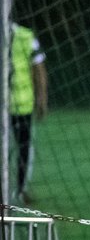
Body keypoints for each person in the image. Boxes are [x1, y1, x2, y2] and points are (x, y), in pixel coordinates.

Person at [8, 23, 48, 205]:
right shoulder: (25, 35)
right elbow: (39, 69)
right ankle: (20, 190)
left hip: (20, 104)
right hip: (19, 103)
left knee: (23, 148)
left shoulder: (26, 36)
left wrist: (41, 97)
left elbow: (38, 68)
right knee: (22, 149)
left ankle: (21, 190)